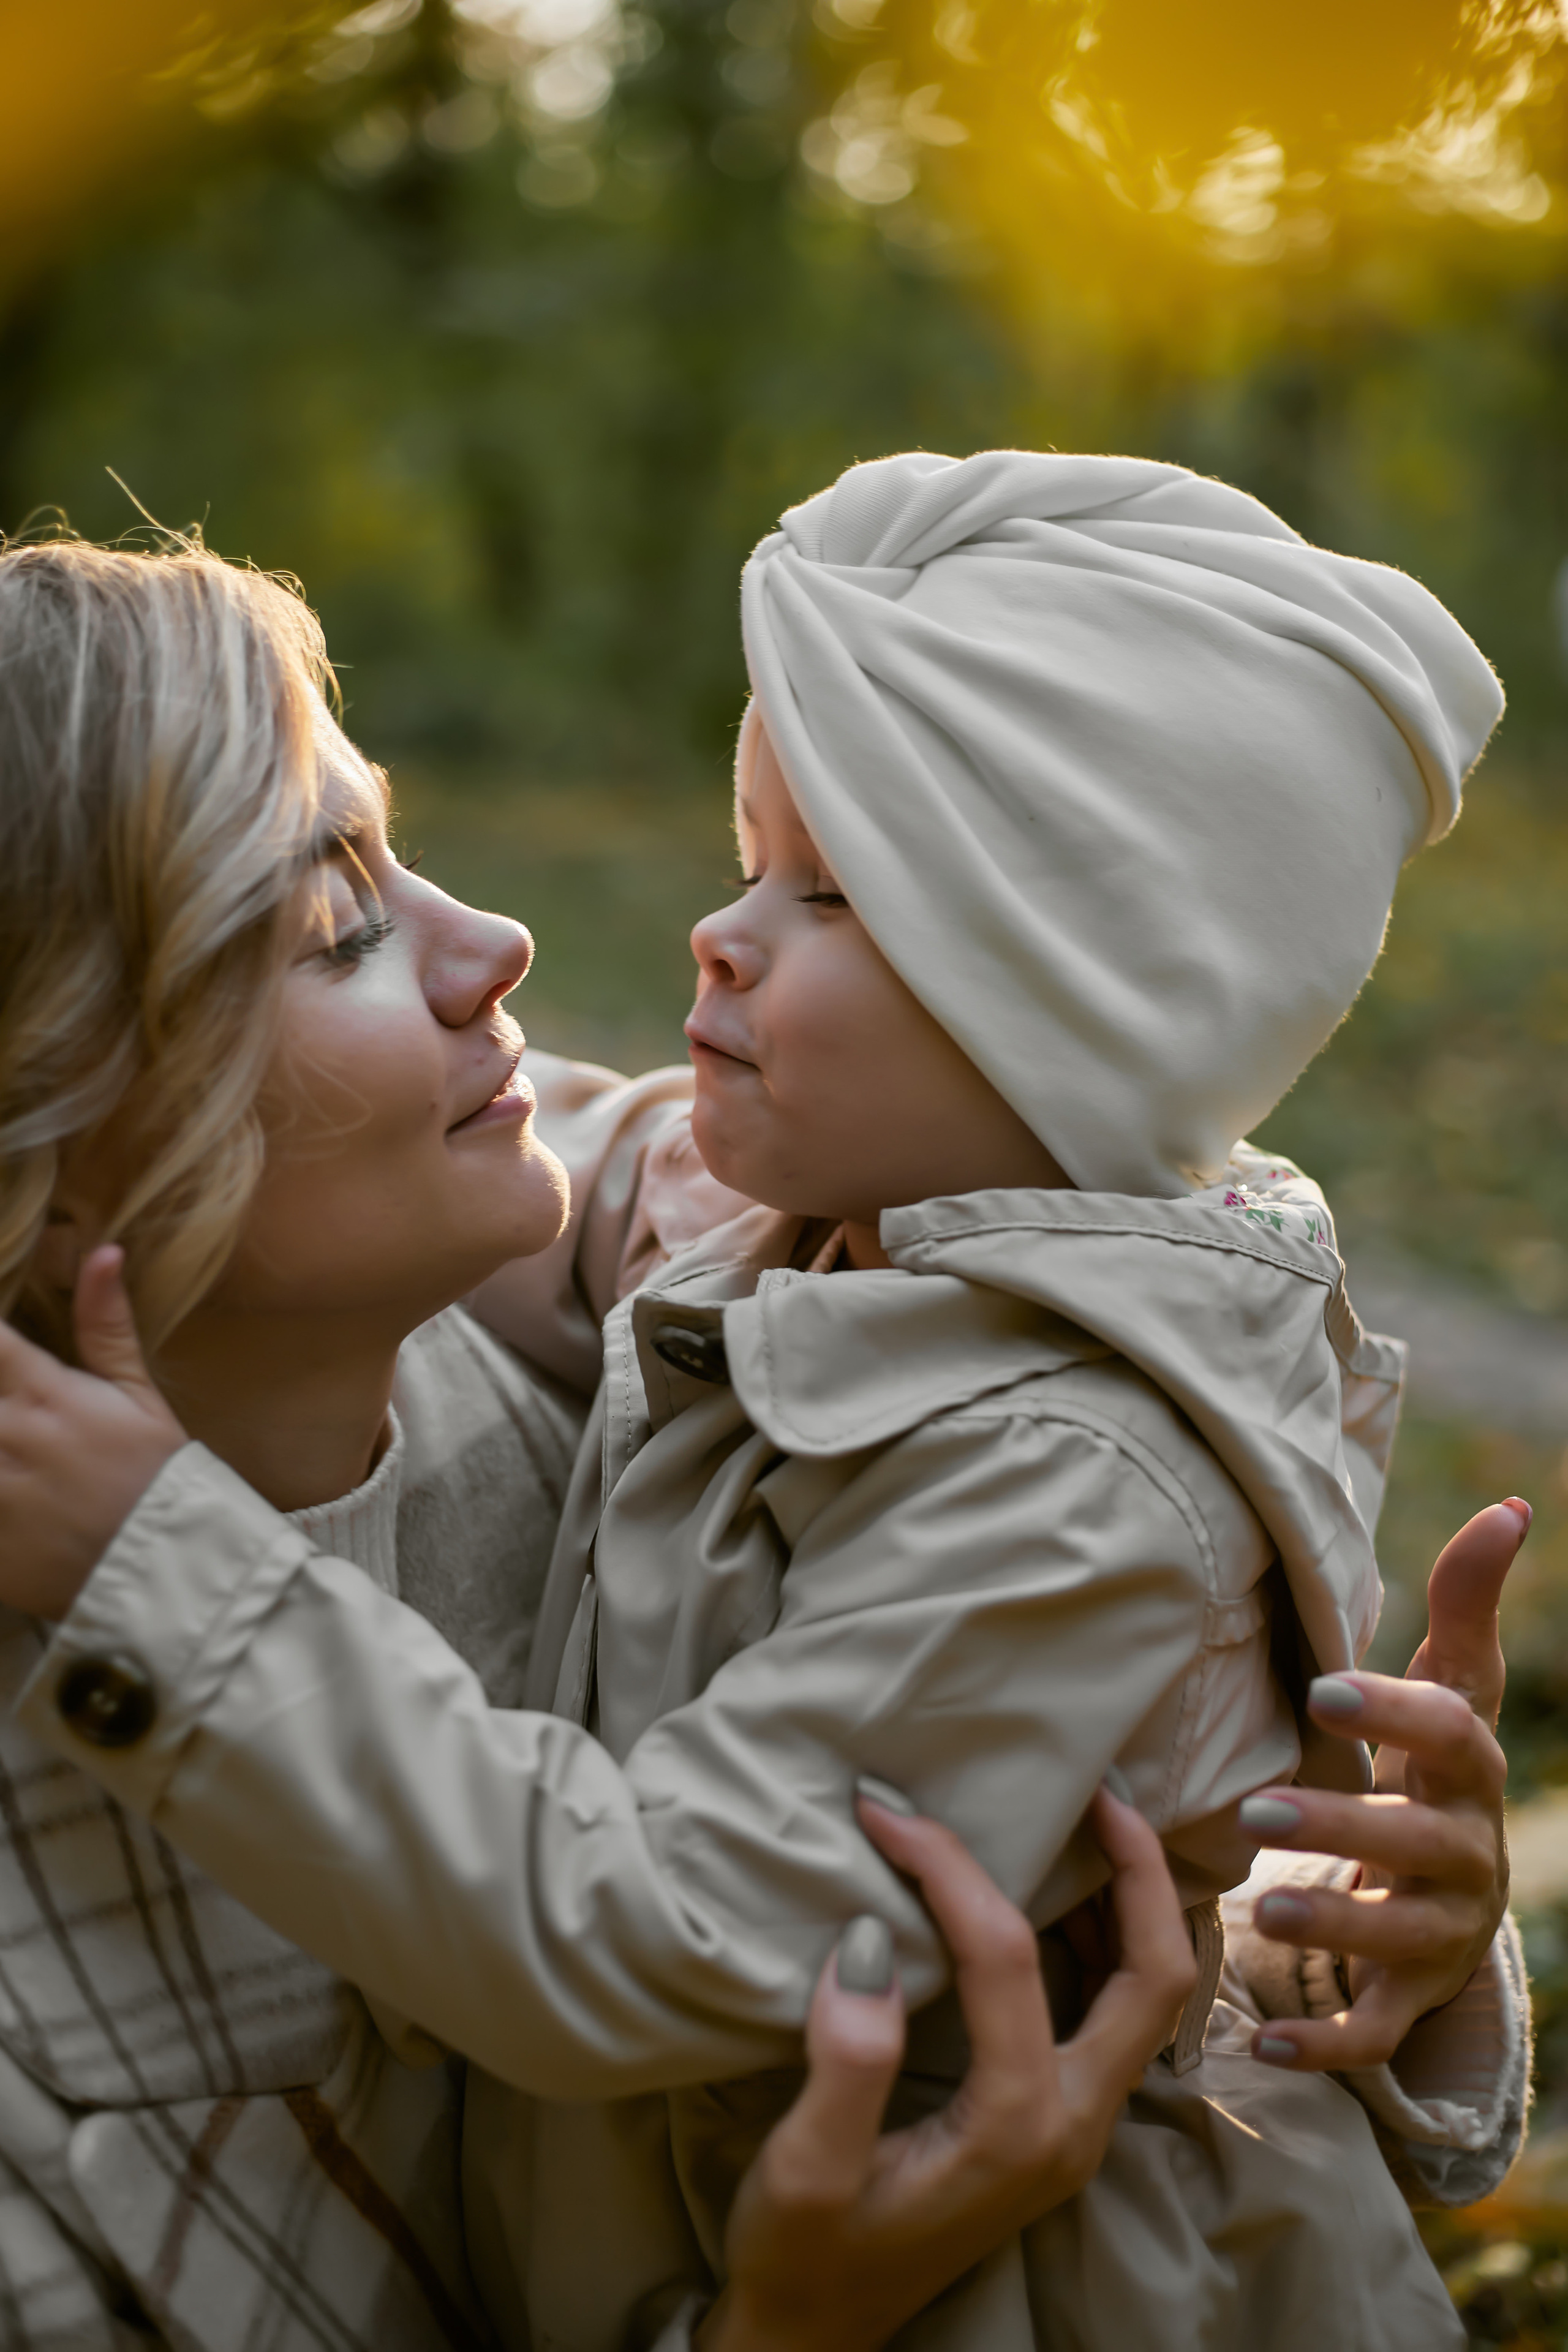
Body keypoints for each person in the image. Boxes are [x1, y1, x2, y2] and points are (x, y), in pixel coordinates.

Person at [0, 516, 1524, 2349]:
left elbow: (965, 1856)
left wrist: (1328, 1924)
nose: (500, 943)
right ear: (59, 1112)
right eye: (336, 913)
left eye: (827, 888)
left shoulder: (726, 1307)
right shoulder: (727, 1285)